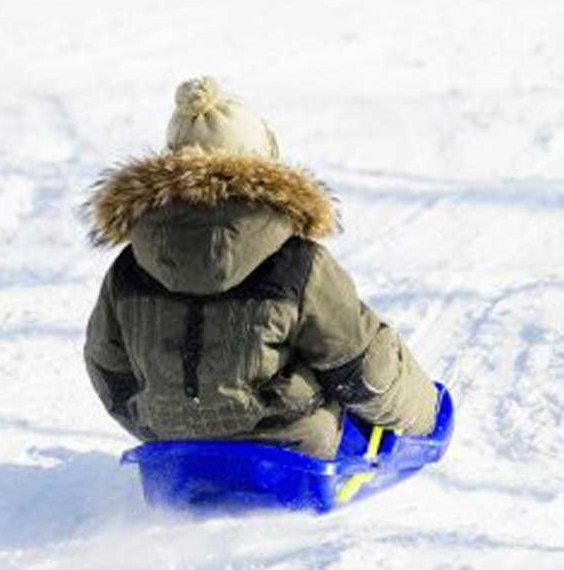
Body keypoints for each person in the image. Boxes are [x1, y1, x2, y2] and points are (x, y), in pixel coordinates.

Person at [83, 76, 438, 459]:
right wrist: (428, 416)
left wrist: (159, 423)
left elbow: (108, 367)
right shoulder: (299, 262)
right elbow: (361, 368)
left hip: (175, 453)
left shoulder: (129, 265)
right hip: (289, 452)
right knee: (354, 403)